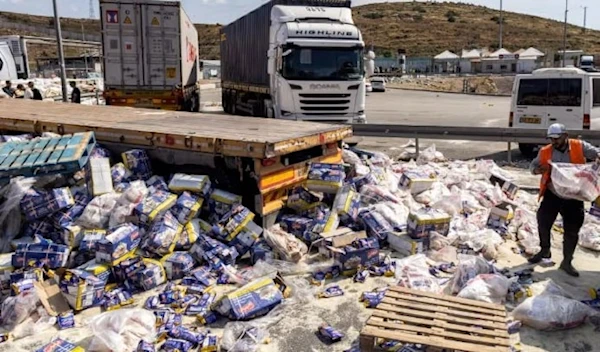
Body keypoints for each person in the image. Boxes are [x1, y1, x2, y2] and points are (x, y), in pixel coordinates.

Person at [528, 123, 600, 277]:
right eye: (551, 139)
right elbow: (533, 166)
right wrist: (537, 170)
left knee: (572, 230)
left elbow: (596, 153)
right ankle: (544, 250)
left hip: (574, 195)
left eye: (557, 138)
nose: (554, 142)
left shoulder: (579, 146)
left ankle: (567, 261)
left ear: (565, 136)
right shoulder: (546, 151)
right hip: (553, 193)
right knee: (543, 221)